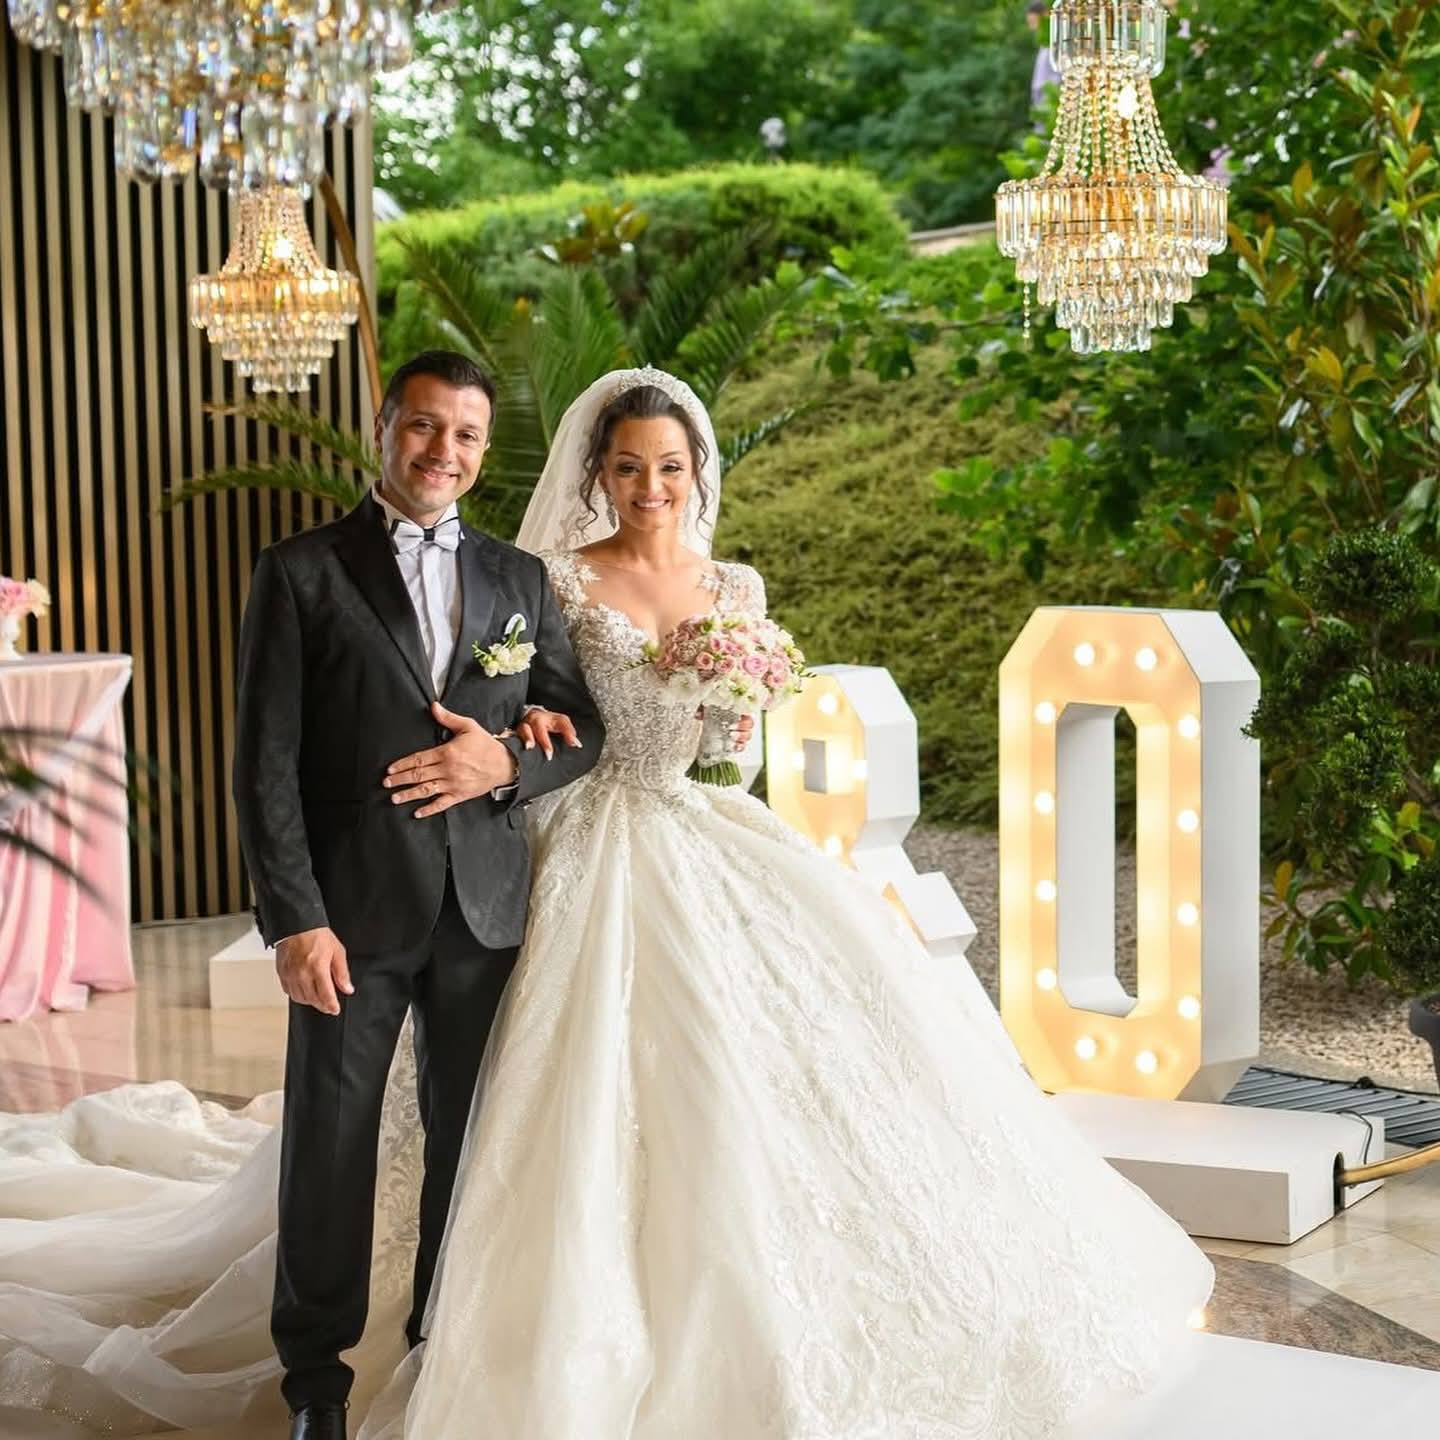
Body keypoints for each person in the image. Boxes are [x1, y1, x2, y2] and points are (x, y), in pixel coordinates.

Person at [0, 367, 1211, 1440]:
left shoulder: (642, 580)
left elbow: (634, 737)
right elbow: (319, 750)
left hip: (631, 852)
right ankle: (321, 1374)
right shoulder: (496, 577)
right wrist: (307, 905)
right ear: (590, 473)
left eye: (668, 467)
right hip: (504, 869)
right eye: (628, 467)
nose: (650, 487)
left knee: (625, 1107)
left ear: (694, 472)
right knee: (396, 1124)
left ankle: (475, 1326)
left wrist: (676, 712)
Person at [232, 348, 604, 1440]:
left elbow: (580, 725)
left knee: (468, 1138)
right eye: (426, 426)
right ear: (385, 428)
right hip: (347, 916)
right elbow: (263, 766)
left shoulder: (518, 578)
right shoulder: (300, 572)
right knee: (330, 1143)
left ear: (484, 451)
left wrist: (508, 763)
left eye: (468, 435)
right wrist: (295, 920)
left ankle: (438, 1344)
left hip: (484, 910)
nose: (446, 451)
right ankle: (316, 1383)